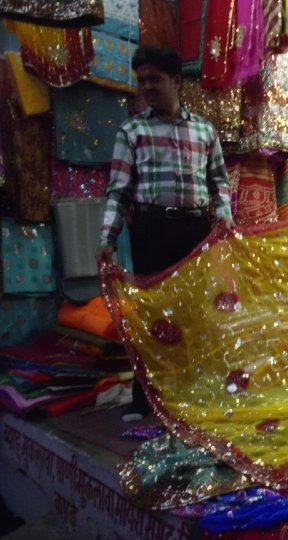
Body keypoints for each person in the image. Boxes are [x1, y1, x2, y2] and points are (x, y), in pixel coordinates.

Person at [96, 46, 235, 421]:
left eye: (154, 79)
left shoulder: (205, 130)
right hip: (152, 229)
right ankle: (148, 401)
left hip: (195, 228)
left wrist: (224, 216)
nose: (146, 87)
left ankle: (195, 395)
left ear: (176, 81)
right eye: (141, 80)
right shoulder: (132, 131)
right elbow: (119, 190)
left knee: (197, 312)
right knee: (150, 313)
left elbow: (219, 181)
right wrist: (107, 239)